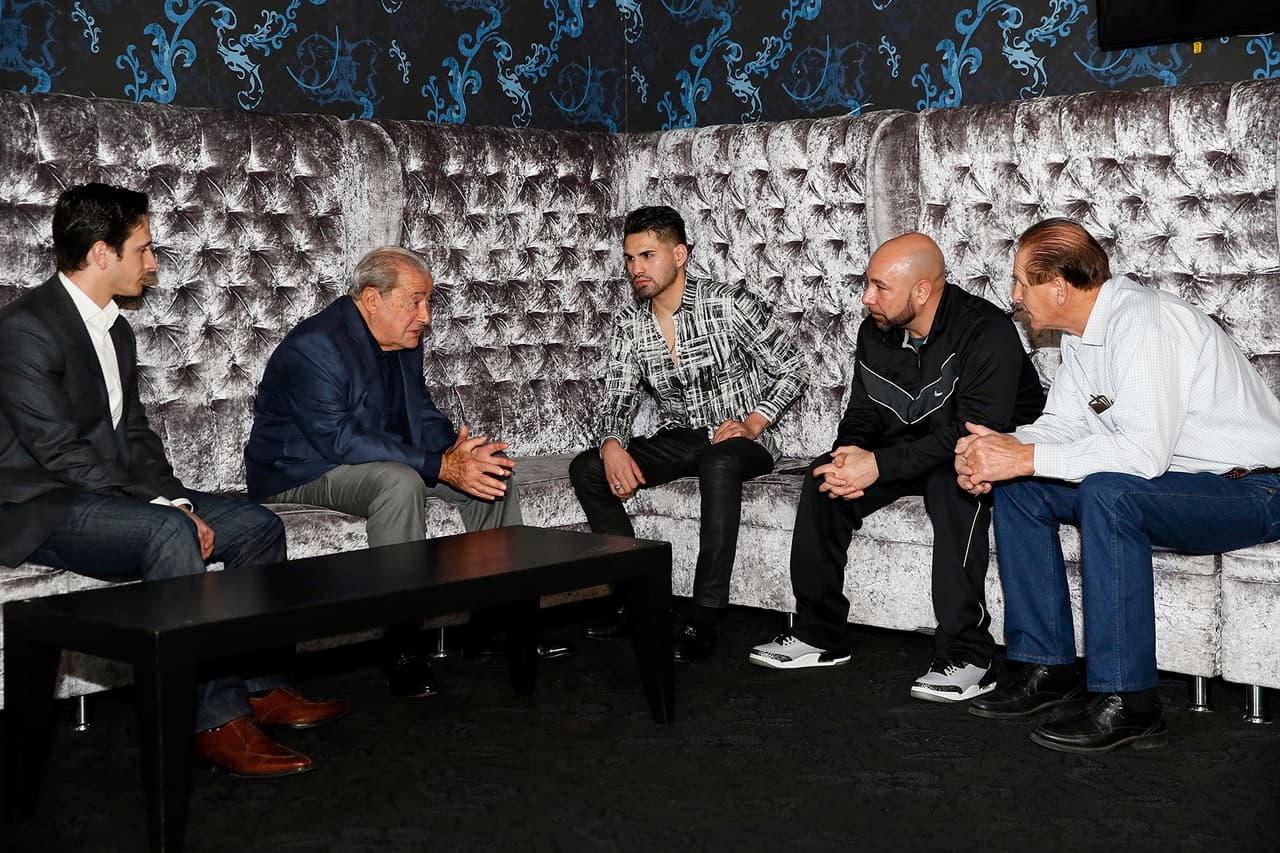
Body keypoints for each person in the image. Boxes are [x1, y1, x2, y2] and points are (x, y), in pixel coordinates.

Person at [0, 183, 348, 778]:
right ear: (102, 254)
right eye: (145, 249)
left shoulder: (116, 329)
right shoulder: (25, 329)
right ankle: (211, 721)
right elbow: (59, 453)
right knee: (170, 534)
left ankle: (261, 687)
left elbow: (134, 434)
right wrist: (168, 512)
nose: (155, 263)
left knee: (257, 527)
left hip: (108, 497)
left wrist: (176, 496)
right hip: (41, 506)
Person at [955, 217, 1280, 752]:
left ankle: (1131, 701)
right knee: (1021, 487)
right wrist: (1001, 451)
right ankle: (1047, 666)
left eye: (1021, 282)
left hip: (1252, 491)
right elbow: (1062, 426)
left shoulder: (1147, 324)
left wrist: (1025, 456)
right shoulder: (1083, 338)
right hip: (1180, 484)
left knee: (1109, 491)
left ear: (1058, 286)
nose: (1014, 297)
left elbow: (1140, 455)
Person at [749, 233, 1047, 702]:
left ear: (922, 291)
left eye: (879, 286)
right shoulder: (877, 329)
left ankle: (969, 655)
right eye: (868, 284)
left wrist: (879, 466)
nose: (867, 297)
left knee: (954, 486)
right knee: (824, 476)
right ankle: (820, 633)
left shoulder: (985, 331)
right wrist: (850, 455)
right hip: (915, 446)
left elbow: (973, 437)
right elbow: (865, 411)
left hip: (985, 451)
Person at [245, 246, 551, 698]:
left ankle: (496, 626)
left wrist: (458, 453)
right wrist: (439, 466)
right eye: (416, 301)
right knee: (399, 481)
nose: (425, 316)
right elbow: (341, 441)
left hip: (372, 459)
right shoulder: (315, 347)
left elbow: (419, 411)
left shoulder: (401, 337)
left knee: (493, 472)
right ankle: (404, 648)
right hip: (301, 470)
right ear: (372, 299)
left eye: (428, 302)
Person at [570, 205, 809, 662]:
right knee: (587, 467)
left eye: (647, 255)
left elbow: (792, 369)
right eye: (629, 259)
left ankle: (704, 615)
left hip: (739, 441)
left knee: (719, 461)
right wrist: (612, 445)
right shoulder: (629, 324)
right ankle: (634, 602)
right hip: (680, 436)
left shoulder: (729, 302)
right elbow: (617, 399)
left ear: (679, 255)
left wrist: (754, 422)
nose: (636, 268)